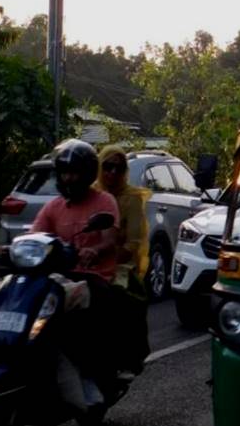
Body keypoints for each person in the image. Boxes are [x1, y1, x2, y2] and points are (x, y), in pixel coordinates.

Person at [30, 139, 120, 402]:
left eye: (74, 172)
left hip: (93, 276)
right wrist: (8, 249)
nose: (68, 178)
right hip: (57, 277)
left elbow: (110, 238)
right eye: (64, 172)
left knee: (86, 318)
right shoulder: (53, 207)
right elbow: (35, 235)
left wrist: (96, 250)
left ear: (88, 174)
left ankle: (92, 375)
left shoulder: (104, 201)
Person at [94, 145, 151, 375]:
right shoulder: (91, 194)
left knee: (120, 297)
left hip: (120, 263)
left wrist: (110, 259)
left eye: (118, 168)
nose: (112, 173)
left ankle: (127, 357)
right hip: (89, 261)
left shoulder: (132, 199)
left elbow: (133, 242)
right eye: (107, 167)